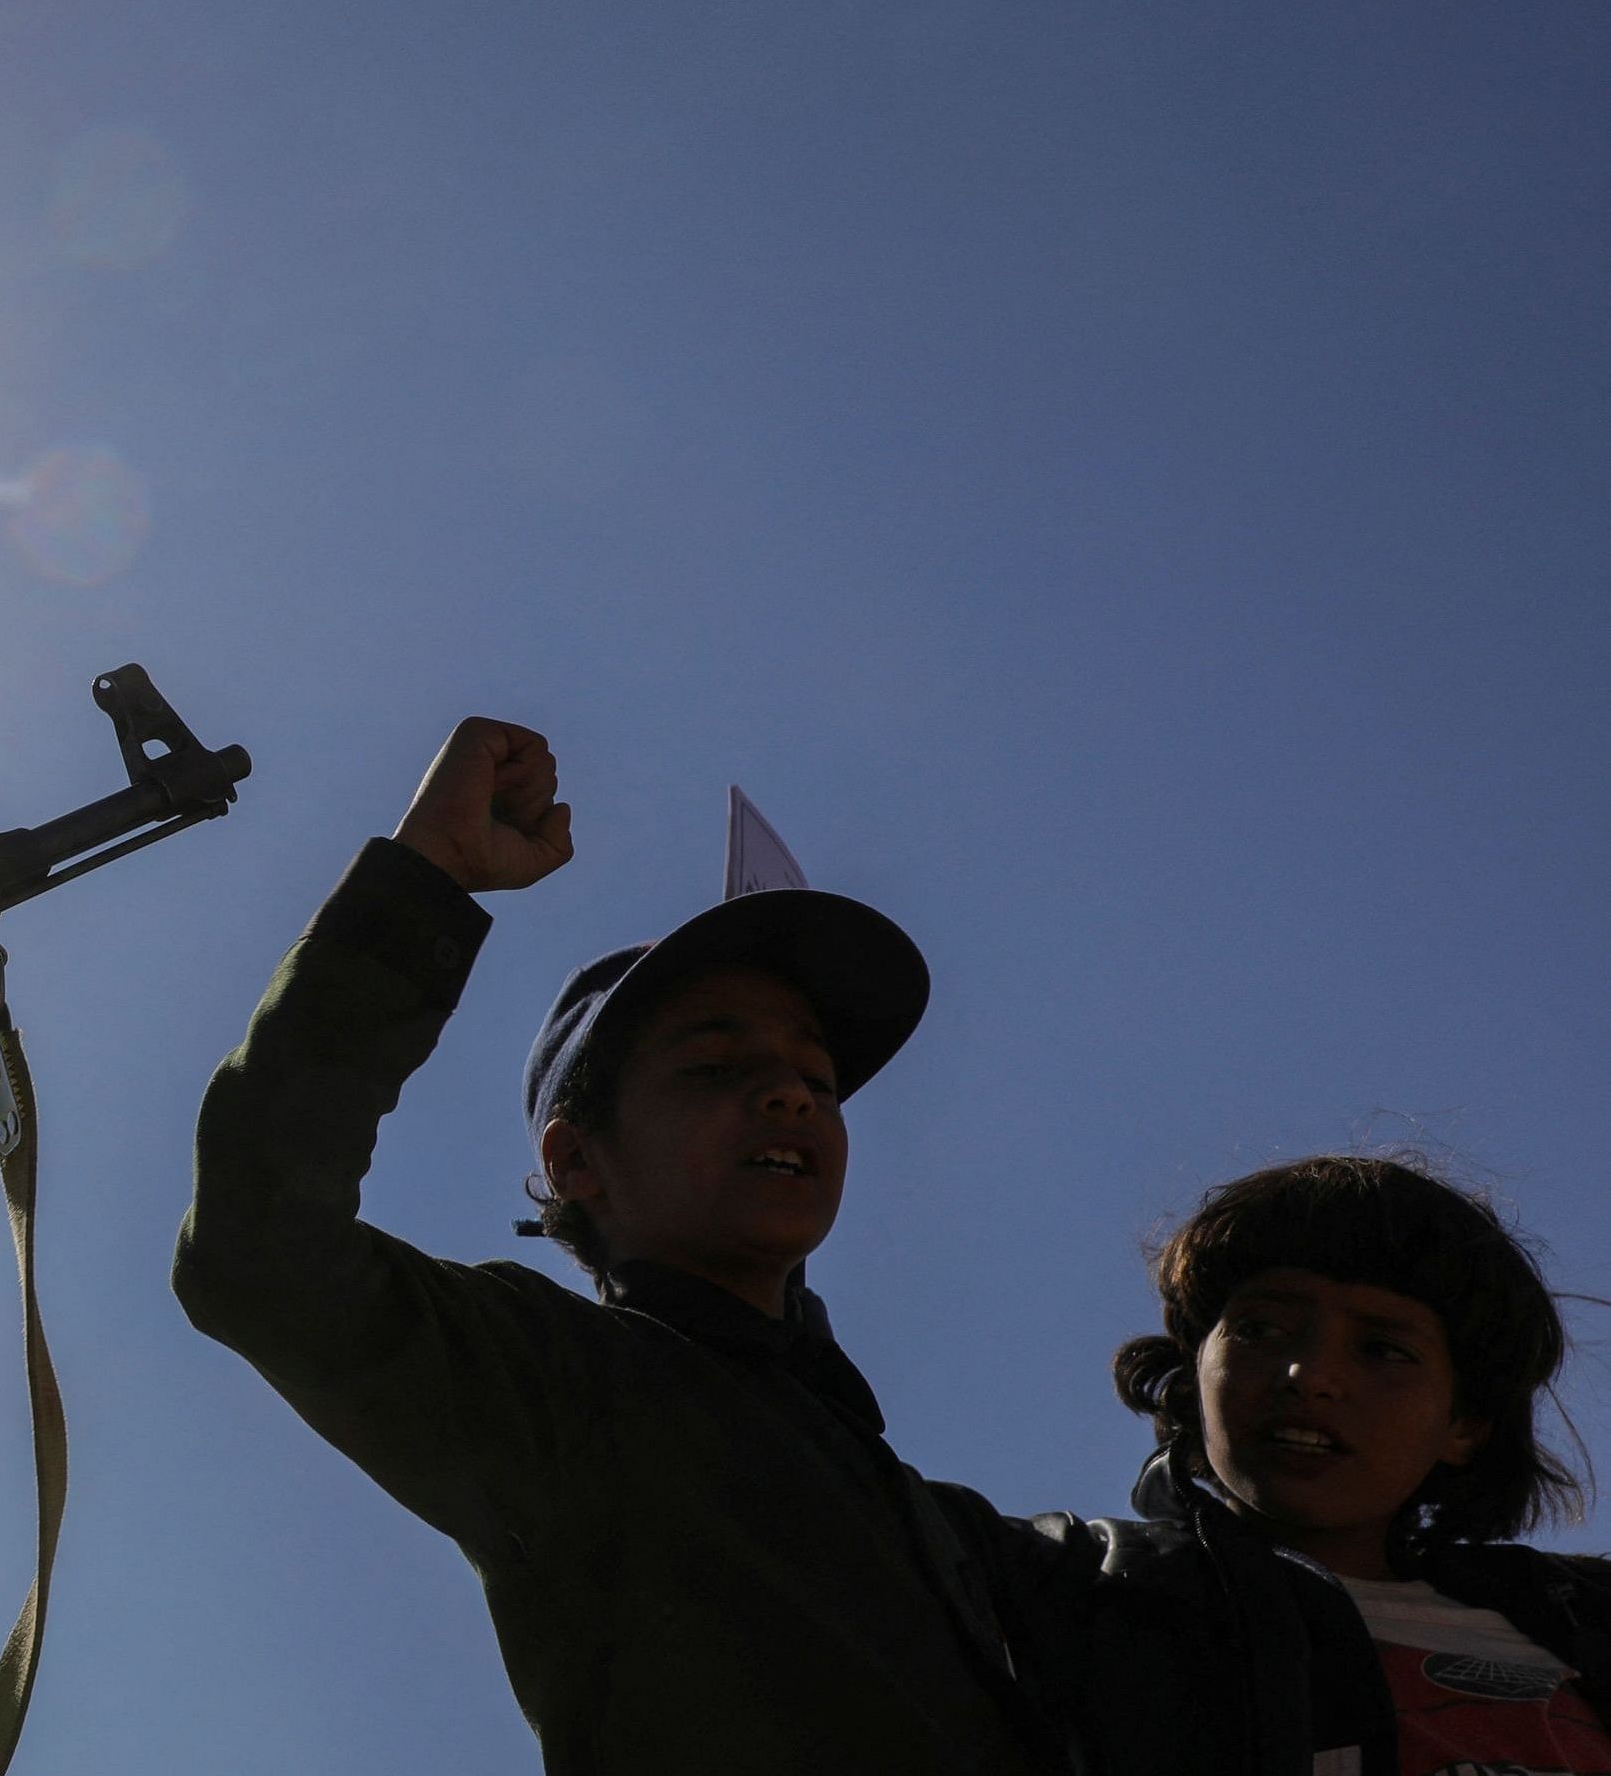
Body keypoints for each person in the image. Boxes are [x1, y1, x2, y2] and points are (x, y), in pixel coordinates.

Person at [171, 716, 1049, 1773]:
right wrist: (426, 880)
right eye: (712, 1066)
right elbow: (256, 1249)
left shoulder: (938, 1527)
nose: (786, 1091)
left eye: (814, 1077)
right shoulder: (554, 1384)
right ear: (577, 1160)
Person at [988, 1154, 1611, 1775]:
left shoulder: (1583, 1614)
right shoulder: (1060, 1583)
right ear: (1193, 1372)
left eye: (1382, 1350)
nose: (1307, 1376)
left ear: (1465, 1424)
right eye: (1259, 1329)